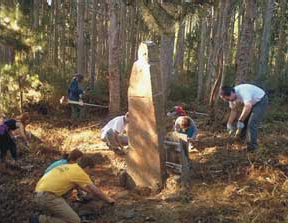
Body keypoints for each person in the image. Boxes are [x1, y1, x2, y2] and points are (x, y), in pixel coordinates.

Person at [30, 156, 115, 223]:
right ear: (87, 167)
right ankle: (40, 219)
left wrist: (86, 193)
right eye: (91, 170)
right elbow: (95, 191)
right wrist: (108, 199)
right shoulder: (80, 173)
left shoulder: (70, 167)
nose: (91, 173)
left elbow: (80, 187)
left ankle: (56, 214)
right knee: (75, 221)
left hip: (38, 193)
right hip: (47, 197)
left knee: (68, 195)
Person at [220, 84, 268, 151]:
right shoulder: (231, 98)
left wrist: (240, 120)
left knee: (252, 123)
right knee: (244, 120)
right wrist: (229, 123)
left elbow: (248, 106)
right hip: (251, 103)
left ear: (231, 93)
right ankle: (240, 139)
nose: (229, 101)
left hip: (260, 101)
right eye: (226, 100)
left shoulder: (243, 91)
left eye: (228, 99)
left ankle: (252, 147)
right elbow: (234, 110)